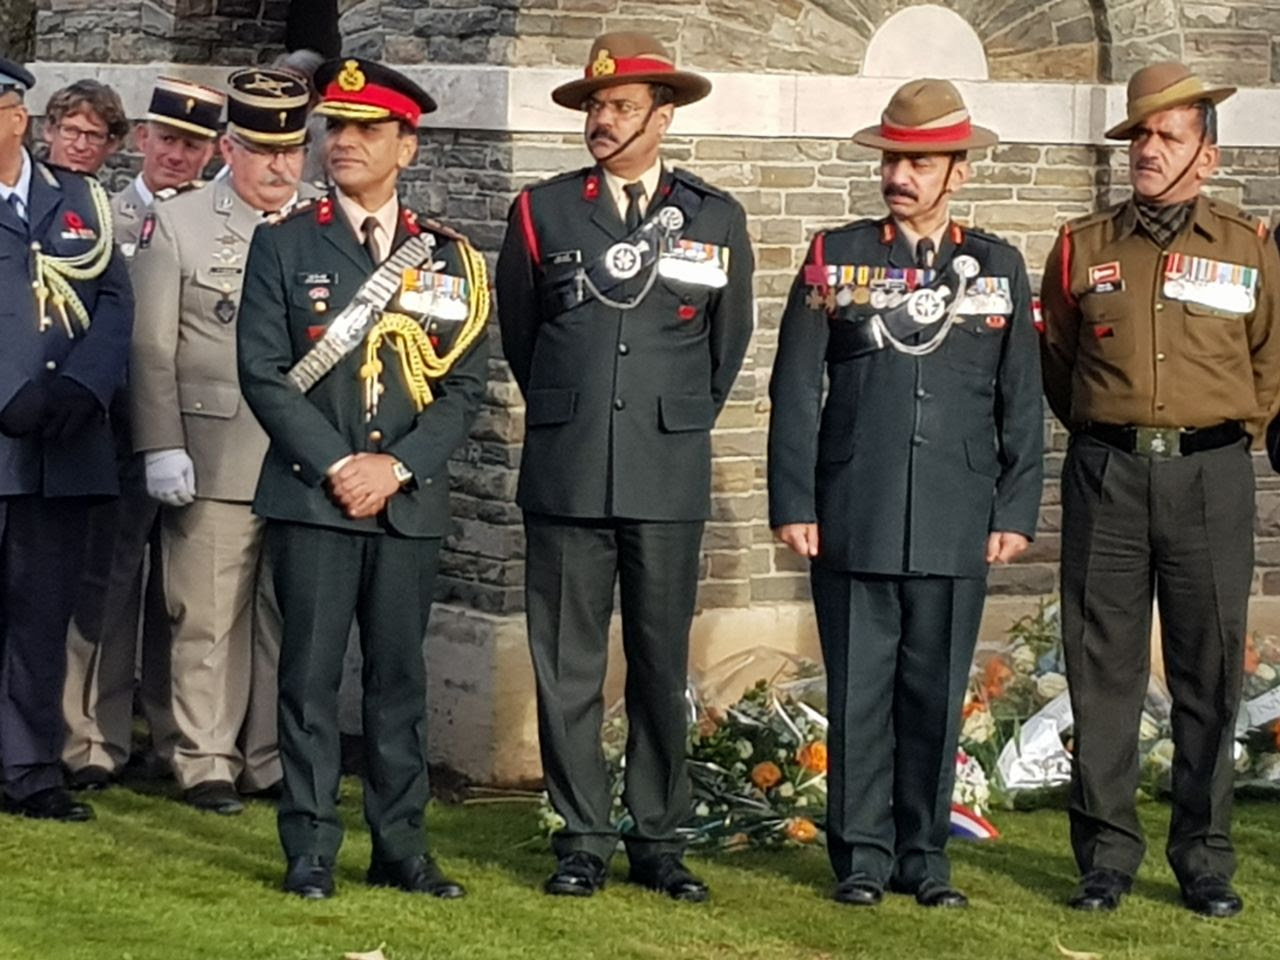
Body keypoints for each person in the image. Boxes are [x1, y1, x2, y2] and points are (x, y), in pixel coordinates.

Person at [767, 78, 1042, 908]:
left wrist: (1014, 508)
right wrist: (794, 502)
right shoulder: (835, 254)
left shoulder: (997, 265)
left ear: (956, 171)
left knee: (933, 694)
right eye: (893, 158)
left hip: (957, 514)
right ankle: (860, 856)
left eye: (920, 162)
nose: (902, 174)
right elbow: (794, 388)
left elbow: (1020, 398)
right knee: (858, 691)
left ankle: (924, 856)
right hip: (857, 504)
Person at [496, 32, 754, 902]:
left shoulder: (713, 215)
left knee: (657, 658)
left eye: (619, 108)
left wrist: (666, 425)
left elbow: (727, 346)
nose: (601, 122)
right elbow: (525, 338)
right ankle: (581, 835)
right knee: (566, 663)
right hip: (569, 469)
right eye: (594, 108)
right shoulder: (543, 211)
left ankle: (658, 836)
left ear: (662, 115)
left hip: (666, 466)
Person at [238, 57, 488, 900]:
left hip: (406, 504)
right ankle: (309, 847)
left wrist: (398, 466)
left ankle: (401, 848)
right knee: (307, 680)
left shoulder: (448, 259)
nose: (342, 143)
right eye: (334, 128)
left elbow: (465, 388)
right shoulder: (285, 240)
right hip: (315, 495)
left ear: (406, 148)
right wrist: (344, 464)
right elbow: (265, 371)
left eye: (365, 130)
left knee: (399, 682)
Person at [1040, 62, 1280, 919]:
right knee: (1099, 671)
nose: (1146, 149)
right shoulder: (1082, 246)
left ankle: (1204, 858)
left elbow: (1269, 362)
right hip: (1106, 472)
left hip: (1210, 478)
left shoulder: (1251, 249)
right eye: (1139, 135)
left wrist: (1221, 436)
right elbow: (1061, 366)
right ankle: (1104, 855)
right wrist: (1114, 430)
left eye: (1166, 136)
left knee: (1207, 672)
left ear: (1205, 158)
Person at [128, 67, 318, 814]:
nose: (279, 167)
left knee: (286, 617)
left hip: (304, 453)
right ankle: (204, 755)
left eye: (292, 151)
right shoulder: (179, 223)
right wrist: (160, 442)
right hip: (214, 449)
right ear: (230, 149)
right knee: (207, 614)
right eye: (263, 151)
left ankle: (267, 756)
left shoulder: (322, 225)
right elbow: (151, 347)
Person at [61, 77, 225, 792]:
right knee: (107, 588)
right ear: (144, 141)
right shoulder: (104, 213)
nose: (177, 155)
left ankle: (172, 737)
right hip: (117, 429)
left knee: (185, 597)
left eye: (193, 144)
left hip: (206, 436)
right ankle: (92, 740)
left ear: (213, 149)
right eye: (167, 139)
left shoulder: (229, 221)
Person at [0, 56, 133, 822]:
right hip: (5, 428)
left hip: (62, 445)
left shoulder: (80, 197)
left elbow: (114, 298)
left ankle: (29, 770)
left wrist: (85, 384)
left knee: (44, 616)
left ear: (19, 118)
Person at [40, 80, 127, 174]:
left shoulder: (109, 187)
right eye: (71, 131)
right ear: (49, 130)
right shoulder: (25, 185)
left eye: (94, 135)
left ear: (112, 144)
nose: (80, 146)